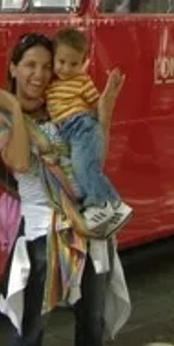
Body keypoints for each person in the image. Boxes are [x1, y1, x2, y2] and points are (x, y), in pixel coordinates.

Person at [0, 33, 131, 346]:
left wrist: (104, 113)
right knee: (30, 331)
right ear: (13, 68)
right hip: (41, 235)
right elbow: (19, 162)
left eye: (47, 66)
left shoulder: (64, 109)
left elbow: (94, 164)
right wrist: (17, 111)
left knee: (91, 326)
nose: (40, 74)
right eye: (30, 65)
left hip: (87, 229)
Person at [46, 27, 132, 236]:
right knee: (82, 168)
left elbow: (95, 103)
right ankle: (112, 204)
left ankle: (102, 204)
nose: (66, 68)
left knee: (84, 167)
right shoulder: (52, 85)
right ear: (54, 59)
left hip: (82, 127)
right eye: (61, 62)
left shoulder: (82, 81)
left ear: (83, 62)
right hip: (68, 130)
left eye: (74, 64)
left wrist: (105, 105)